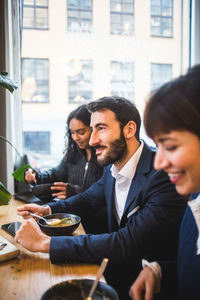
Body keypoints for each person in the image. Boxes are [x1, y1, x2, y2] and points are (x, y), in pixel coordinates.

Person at [15, 96, 186, 300]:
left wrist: (46, 243)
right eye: (92, 129)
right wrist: (49, 210)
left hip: (150, 287)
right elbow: (88, 199)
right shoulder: (113, 166)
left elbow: (127, 242)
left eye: (101, 128)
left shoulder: (162, 174)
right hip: (115, 271)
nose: (92, 139)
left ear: (129, 130)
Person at [129, 64, 200, 300]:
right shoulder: (194, 201)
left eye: (170, 146)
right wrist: (159, 271)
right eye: (157, 147)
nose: (159, 163)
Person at [25, 104, 103, 200]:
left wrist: (77, 192)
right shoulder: (73, 154)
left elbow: (103, 196)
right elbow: (56, 175)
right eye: (72, 132)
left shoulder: (104, 158)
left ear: (93, 129)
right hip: (69, 210)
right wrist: (36, 176)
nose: (75, 138)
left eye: (81, 132)